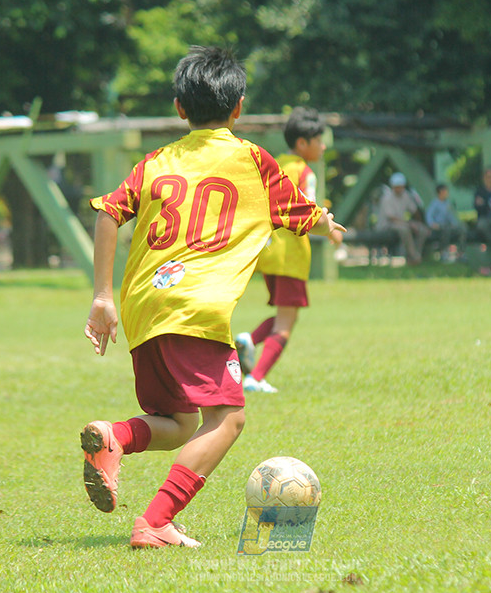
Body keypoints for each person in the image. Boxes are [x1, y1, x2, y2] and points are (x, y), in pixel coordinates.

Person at [80, 46, 345, 549]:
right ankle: (155, 521)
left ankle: (114, 436)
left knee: (180, 423)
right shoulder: (252, 160)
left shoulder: (155, 162)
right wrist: (328, 225)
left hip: (143, 306)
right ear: (239, 107)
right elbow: (303, 212)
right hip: (197, 309)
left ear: (180, 109)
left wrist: (101, 297)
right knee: (228, 418)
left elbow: (108, 212)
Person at [235, 107, 343, 394]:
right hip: (292, 256)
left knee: (287, 315)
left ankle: (249, 338)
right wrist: (331, 230)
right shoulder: (305, 171)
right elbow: (308, 209)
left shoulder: (276, 163)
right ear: (303, 143)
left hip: (268, 252)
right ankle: (255, 378)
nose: (323, 146)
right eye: (319, 140)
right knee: (286, 323)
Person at [376, 171, 430, 265]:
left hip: (401, 223)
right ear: (393, 187)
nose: (400, 189)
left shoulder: (405, 195)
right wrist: (409, 224)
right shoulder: (387, 198)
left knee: (423, 230)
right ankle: (414, 256)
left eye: (401, 186)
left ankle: (415, 256)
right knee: (405, 229)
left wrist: (417, 223)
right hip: (387, 225)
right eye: (397, 186)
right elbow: (391, 218)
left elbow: (414, 210)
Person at [425, 182, 467, 261]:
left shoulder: (447, 203)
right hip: (438, 227)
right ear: (440, 192)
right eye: (445, 191)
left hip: (447, 226)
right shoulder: (435, 203)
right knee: (446, 229)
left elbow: (450, 217)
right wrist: (432, 224)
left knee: (461, 229)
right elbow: (429, 215)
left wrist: (455, 224)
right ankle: (443, 252)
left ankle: (461, 253)